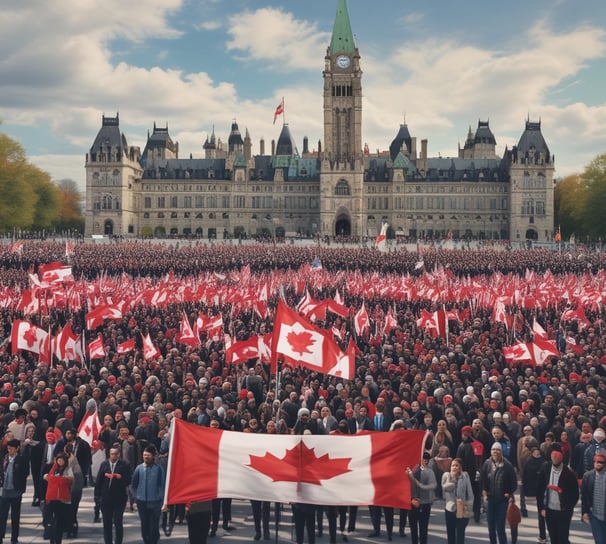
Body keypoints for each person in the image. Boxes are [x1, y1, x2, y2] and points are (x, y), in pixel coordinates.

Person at [536, 443, 579, 544]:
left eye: (557, 456)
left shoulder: (568, 473)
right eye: (553, 456)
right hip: (549, 510)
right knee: (553, 537)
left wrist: (568, 508)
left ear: (561, 457)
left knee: (563, 538)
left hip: (563, 511)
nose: (554, 458)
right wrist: (541, 508)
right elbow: (539, 489)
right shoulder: (545, 468)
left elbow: (575, 494)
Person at [480, 442, 517, 544]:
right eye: (493, 450)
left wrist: (508, 493)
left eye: (497, 450)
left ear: (501, 452)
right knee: (491, 527)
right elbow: (483, 480)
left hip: (502, 501)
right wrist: (484, 491)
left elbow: (514, 482)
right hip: (490, 499)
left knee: (500, 527)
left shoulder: (507, 465)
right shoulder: (487, 463)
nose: (495, 452)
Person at [95, 446, 133, 544]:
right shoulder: (104, 464)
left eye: (115, 454)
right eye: (112, 454)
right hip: (106, 499)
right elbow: (99, 481)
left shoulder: (124, 465)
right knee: (107, 523)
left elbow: (129, 480)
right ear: (109, 454)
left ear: (119, 454)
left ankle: (118, 542)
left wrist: (120, 477)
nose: (113, 456)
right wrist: (97, 496)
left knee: (118, 522)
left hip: (119, 498)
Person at [131, 445, 165, 544]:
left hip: (155, 502)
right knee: (144, 527)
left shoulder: (158, 469)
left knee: (153, 527)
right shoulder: (139, 468)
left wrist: (161, 500)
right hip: (141, 501)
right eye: (144, 455)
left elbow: (161, 485)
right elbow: (133, 484)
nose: (146, 457)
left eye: (148, 455)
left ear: (153, 456)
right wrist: (134, 498)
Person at [0, 439, 28, 544]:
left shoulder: (22, 459)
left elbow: (26, 472)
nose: (9, 450)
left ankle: (14, 537)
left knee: (15, 516)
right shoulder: (5, 458)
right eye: (8, 448)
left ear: (17, 448)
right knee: (2, 515)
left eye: (11, 448)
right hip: (5, 490)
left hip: (16, 491)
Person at [43, 451, 73, 544]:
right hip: (52, 498)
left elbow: (70, 478)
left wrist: (58, 479)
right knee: (51, 522)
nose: (60, 462)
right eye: (58, 460)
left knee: (59, 522)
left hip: (62, 500)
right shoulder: (53, 468)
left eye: (61, 460)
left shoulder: (68, 469)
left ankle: (58, 540)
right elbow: (47, 477)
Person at [406, 452, 437, 544]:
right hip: (412, 502)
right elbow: (406, 486)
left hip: (424, 503)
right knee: (413, 529)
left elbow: (433, 485)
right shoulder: (411, 469)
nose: (425, 462)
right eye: (424, 459)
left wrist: (419, 484)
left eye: (427, 460)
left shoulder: (429, 471)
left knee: (423, 529)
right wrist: (411, 499)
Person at [442, 458, 473, 544]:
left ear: (460, 467)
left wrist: (469, 509)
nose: (454, 467)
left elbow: (470, 493)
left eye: (456, 465)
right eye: (452, 465)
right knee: (451, 534)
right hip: (450, 509)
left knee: (460, 534)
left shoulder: (465, 476)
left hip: (462, 509)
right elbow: (444, 489)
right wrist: (453, 479)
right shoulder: (446, 476)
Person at [521, 442, 547, 544]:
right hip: (535, 487)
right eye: (535, 452)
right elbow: (526, 474)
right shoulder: (529, 461)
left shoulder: (544, 462)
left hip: (543, 488)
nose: (536, 454)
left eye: (537, 452)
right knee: (541, 512)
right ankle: (542, 535)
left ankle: (544, 535)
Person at [581, 452, 606, 544]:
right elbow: (584, 496)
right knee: (600, 541)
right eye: (596, 461)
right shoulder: (587, 476)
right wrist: (584, 512)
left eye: (601, 462)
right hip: (594, 515)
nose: (598, 463)